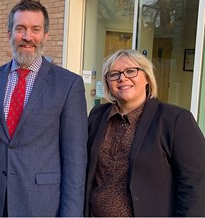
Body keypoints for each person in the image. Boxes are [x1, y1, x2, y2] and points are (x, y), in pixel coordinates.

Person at [0, 0, 88, 217]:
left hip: (41, 206)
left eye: (36, 29)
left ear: (46, 35)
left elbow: (75, 161)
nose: (28, 37)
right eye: (20, 29)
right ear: (9, 34)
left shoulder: (68, 85)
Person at [85, 49, 205, 217]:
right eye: (114, 74)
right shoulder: (97, 115)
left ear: (147, 77)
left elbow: (196, 185)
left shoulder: (175, 120)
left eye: (131, 71)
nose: (122, 78)